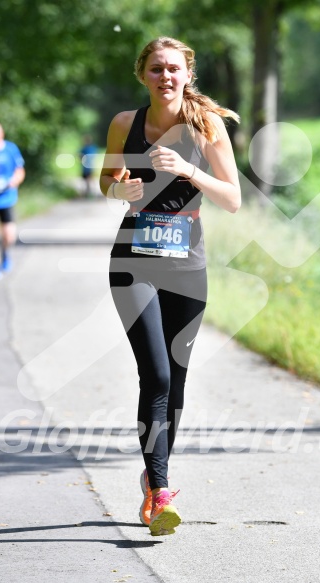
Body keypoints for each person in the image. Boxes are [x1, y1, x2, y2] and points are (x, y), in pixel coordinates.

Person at [100, 37, 241, 536]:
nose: (165, 77)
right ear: (143, 75)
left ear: (187, 75)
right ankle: (160, 494)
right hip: (134, 260)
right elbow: (106, 180)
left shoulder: (206, 127)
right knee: (156, 373)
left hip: (187, 264)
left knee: (176, 378)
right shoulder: (125, 124)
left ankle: (152, 473)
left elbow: (233, 199)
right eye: (156, 69)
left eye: (173, 70)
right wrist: (122, 188)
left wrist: (188, 171)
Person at [0, 122, 25, 280]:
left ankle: (5, 253)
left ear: (1, 135)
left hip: (6, 199)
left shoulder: (10, 149)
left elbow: (20, 171)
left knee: (9, 236)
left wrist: (12, 182)